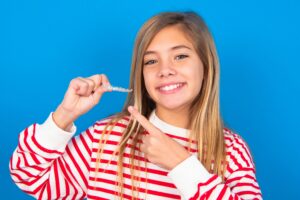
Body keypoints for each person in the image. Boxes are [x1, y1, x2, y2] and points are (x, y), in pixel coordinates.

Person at [9, 11, 262, 199]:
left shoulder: (231, 151)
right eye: (151, 61)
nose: (165, 70)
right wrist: (64, 116)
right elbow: (30, 178)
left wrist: (182, 165)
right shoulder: (106, 136)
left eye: (180, 56)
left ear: (206, 67)